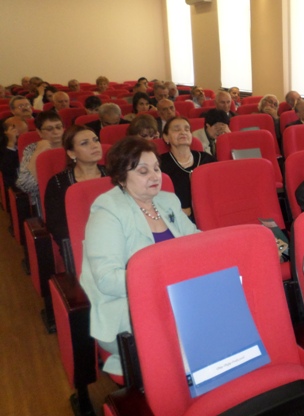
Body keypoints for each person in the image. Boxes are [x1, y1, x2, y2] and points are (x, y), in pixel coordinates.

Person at [80, 136, 198, 376]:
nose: (155, 176)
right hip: (127, 306)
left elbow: (198, 242)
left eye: (156, 168)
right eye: (143, 171)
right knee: (197, 324)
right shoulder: (107, 211)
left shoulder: (167, 201)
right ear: (121, 177)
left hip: (180, 294)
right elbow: (107, 279)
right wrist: (163, 280)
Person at [44, 125, 107, 247]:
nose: (94, 145)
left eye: (95, 140)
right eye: (84, 143)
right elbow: (56, 225)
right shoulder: (58, 182)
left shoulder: (115, 175)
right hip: (79, 243)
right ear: (71, 153)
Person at [159, 117, 214, 221]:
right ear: (166, 137)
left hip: (210, 213)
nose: (183, 132)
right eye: (176, 129)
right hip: (176, 219)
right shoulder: (159, 164)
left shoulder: (207, 159)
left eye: (187, 129)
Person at [16, 111, 64, 206]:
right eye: (49, 129)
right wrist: (39, 152)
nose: (56, 132)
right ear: (39, 132)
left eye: (58, 127)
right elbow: (25, 185)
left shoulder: (72, 145)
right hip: (47, 199)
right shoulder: (32, 149)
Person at [0, 116, 29, 190]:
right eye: (18, 134)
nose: (22, 137)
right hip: (15, 186)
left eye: (25, 133)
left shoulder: (32, 143)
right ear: (6, 133)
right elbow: (5, 171)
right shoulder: (4, 147)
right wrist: (11, 144)